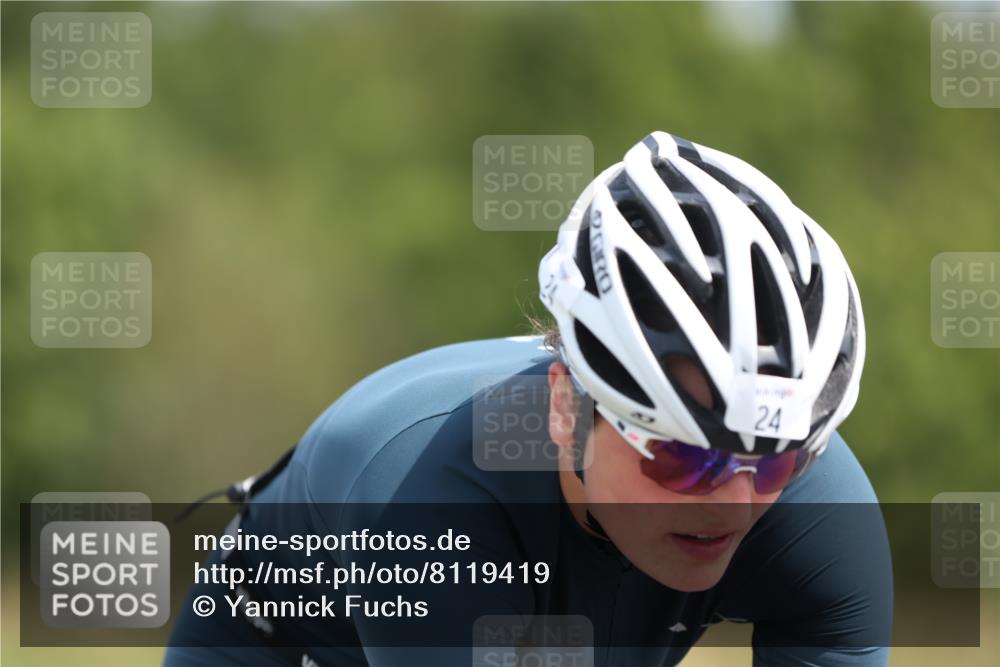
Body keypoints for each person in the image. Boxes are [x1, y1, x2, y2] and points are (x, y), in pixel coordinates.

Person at [164, 132, 892, 666]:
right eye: (681, 456)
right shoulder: (432, 498)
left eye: (771, 464)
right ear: (566, 407)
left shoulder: (821, 501)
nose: (736, 500)